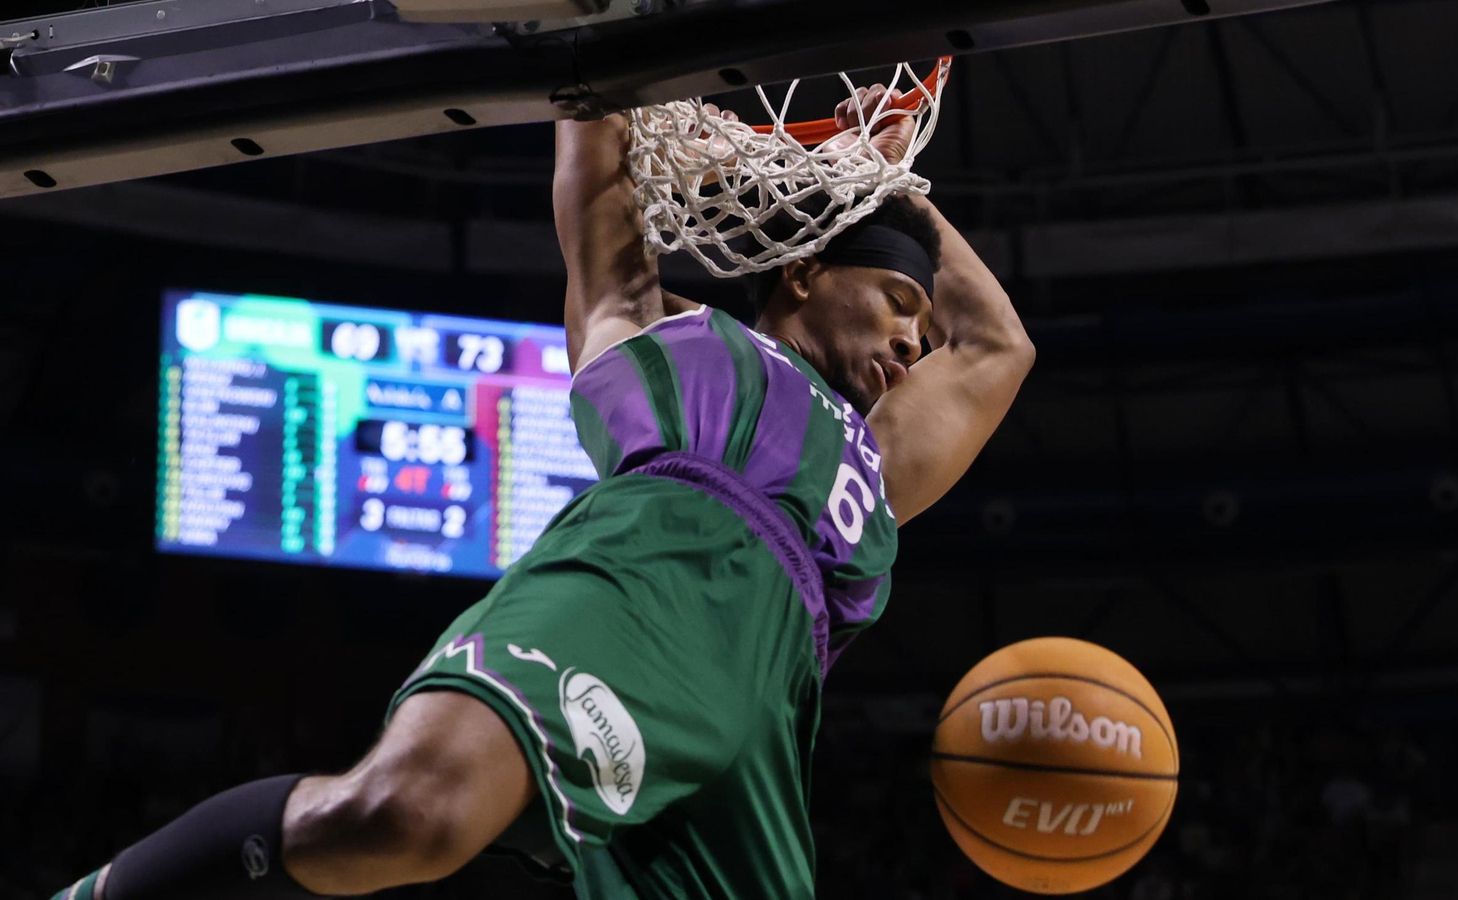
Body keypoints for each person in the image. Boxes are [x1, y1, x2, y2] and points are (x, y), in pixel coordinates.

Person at [53, 84, 1034, 900]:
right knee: (405, 813)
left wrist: (883, 182)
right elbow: (597, 125)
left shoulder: (871, 456)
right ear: (809, 274)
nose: (917, 341)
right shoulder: (674, 341)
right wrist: (842, 177)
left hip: (767, 704)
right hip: (649, 585)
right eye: (901, 303)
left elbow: (998, 345)